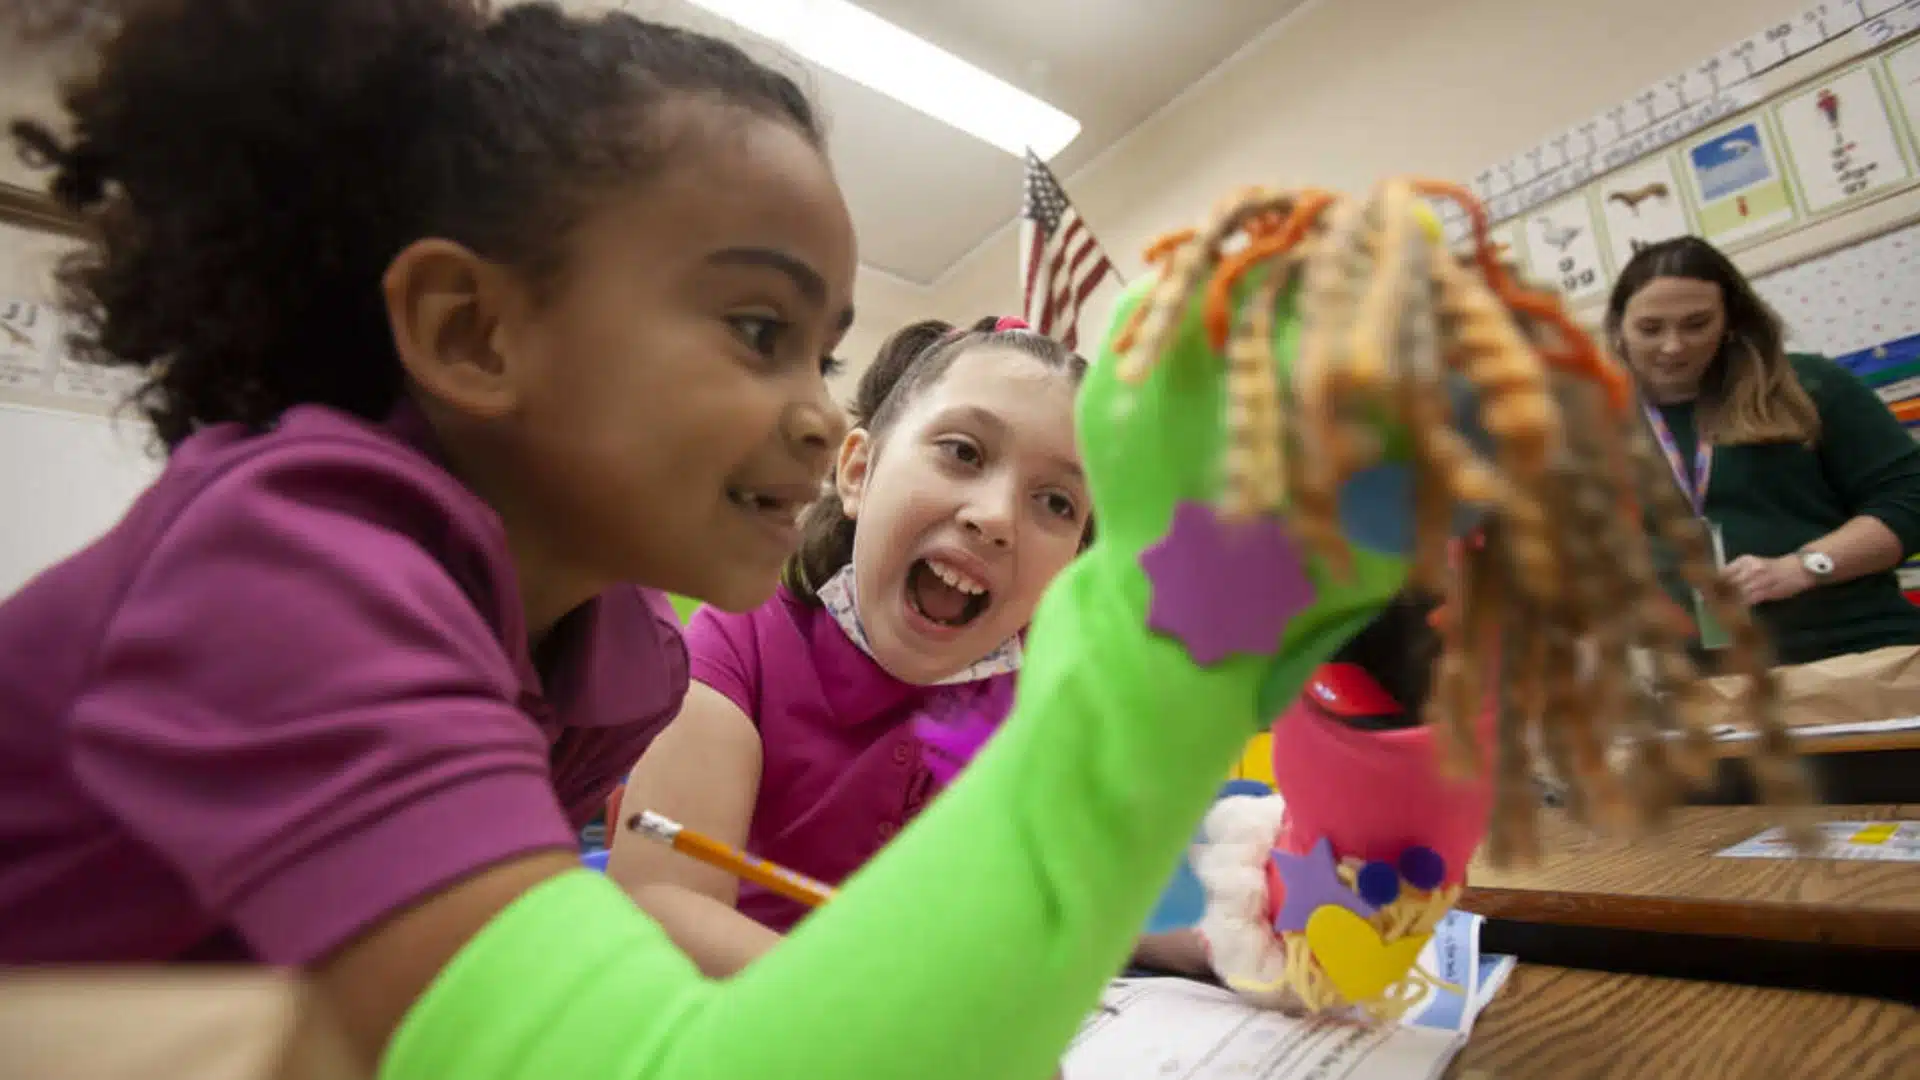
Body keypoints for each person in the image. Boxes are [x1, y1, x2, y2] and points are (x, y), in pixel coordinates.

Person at [0, 4, 1392, 1079]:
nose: (810, 413)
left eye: (824, 351)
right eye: (756, 330)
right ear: (476, 330)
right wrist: (1178, 642)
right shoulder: (292, 575)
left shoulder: (612, 657)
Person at [607, 316, 1205, 975]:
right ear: (860, 471)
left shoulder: (1037, 693)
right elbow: (658, 901)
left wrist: (1205, 942)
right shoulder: (738, 636)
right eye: (964, 453)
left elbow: (1061, 885)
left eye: (1057, 503)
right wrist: (891, 1028)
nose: (997, 517)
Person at [1606, 236, 1920, 667]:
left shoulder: (1807, 387)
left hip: (1852, 656)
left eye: (1697, 324)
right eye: (1650, 328)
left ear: (1731, 321)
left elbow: (1908, 498)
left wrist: (1803, 567)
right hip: (1702, 682)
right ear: (1618, 327)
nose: (1673, 345)